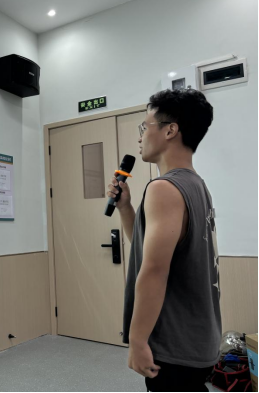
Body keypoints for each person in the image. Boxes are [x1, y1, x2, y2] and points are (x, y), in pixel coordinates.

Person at [107, 89, 222, 392]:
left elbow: (155, 270)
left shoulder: (163, 188)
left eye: (145, 127)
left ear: (170, 130)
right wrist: (126, 208)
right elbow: (150, 251)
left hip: (175, 342)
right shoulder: (197, 185)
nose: (140, 137)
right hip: (198, 338)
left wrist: (137, 339)